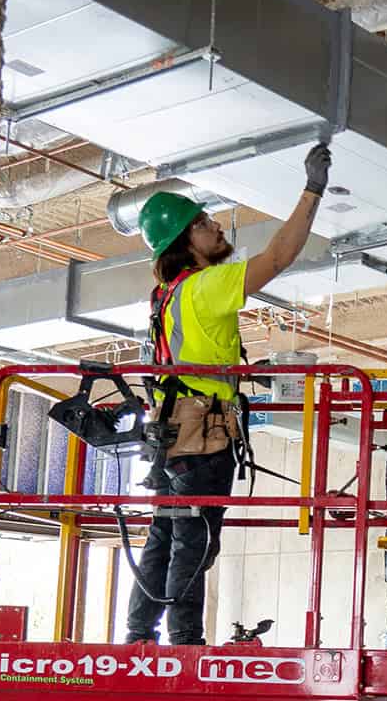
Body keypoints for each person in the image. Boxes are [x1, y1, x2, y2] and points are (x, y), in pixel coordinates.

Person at [124, 142, 332, 645]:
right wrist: (312, 191)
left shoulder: (166, 295)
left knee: (168, 534)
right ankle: (185, 641)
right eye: (203, 224)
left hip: (172, 432)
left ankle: (139, 635)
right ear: (183, 241)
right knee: (194, 538)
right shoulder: (204, 285)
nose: (216, 228)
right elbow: (278, 257)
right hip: (202, 433)